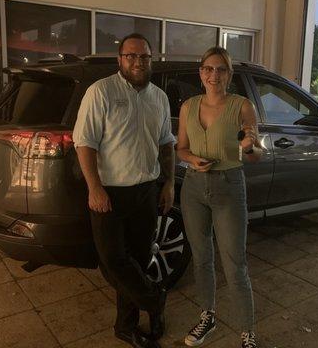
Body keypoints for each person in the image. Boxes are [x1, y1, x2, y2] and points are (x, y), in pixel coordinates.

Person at [73, 33, 175, 348]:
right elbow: (84, 143)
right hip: (109, 194)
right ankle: (155, 299)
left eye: (144, 56)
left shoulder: (159, 97)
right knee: (112, 260)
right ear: (120, 59)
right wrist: (95, 188)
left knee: (140, 260)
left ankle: (126, 325)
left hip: (146, 191)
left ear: (151, 59)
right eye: (131, 56)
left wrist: (169, 182)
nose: (138, 62)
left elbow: (166, 144)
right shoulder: (100, 92)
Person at [176, 47, 262, 348]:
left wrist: (249, 146)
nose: (214, 75)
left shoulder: (242, 106)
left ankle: (247, 332)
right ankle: (207, 316)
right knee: (201, 259)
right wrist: (192, 159)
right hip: (194, 187)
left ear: (229, 74)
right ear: (201, 73)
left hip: (229, 186)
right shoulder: (189, 107)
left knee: (234, 263)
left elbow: (254, 156)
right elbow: (181, 148)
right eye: (209, 69)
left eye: (221, 70)